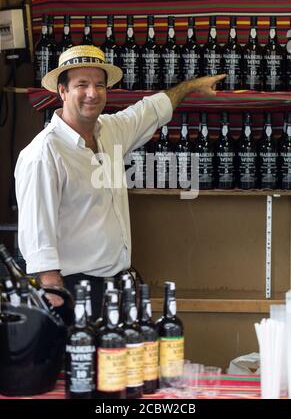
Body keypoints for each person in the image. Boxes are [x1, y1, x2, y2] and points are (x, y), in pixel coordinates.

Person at [15, 45, 225, 319]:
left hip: (117, 286)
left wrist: (190, 87)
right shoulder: (43, 154)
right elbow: (36, 234)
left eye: (99, 85)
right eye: (82, 84)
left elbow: (150, 110)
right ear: (62, 91)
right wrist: (54, 294)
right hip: (72, 290)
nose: (92, 93)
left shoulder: (110, 130)